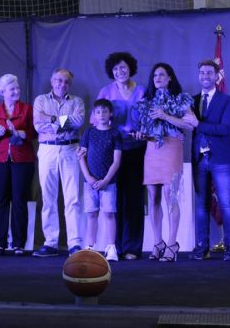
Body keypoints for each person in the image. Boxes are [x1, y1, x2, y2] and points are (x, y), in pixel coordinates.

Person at [135, 62, 197, 262]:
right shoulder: (147, 101)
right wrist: (141, 134)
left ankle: (172, 243)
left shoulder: (181, 99)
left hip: (172, 147)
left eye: (162, 75)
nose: (158, 78)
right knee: (153, 197)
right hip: (152, 148)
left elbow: (190, 124)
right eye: (155, 76)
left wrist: (165, 115)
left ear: (170, 77)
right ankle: (157, 242)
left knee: (171, 196)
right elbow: (145, 126)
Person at [96, 52, 146, 260]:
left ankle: (133, 248)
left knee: (134, 199)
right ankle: (114, 247)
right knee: (114, 200)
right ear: (111, 71)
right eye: (116, 69)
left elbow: (148, 118)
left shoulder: (142, 91)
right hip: (112, 150)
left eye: (123, 67)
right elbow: (96, 120)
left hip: (136, 149)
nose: (120, 71)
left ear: (130, 68)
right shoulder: (105, 91)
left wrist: (144, 130)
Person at [32, 68, 85, 257]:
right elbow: (38, 124)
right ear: (52, 81)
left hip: (71, 149)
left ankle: (75, 243)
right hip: (47, 149)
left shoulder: (77, 101)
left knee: (73, 199)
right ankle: (51, 243)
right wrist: (63, 121)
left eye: (66, 82)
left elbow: (78, 121)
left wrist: (52, 119)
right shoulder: (40, 100)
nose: (62, 85)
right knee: (48, 197)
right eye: (59, 81)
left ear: (70, 84)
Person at [190, 60, 230, 261]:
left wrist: (198, 124)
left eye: (209, 73)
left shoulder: (226, 100)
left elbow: (225, 129)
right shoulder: (191, 101)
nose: (205, 76)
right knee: (201, 205)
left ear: (217, 76)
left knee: (226, 204)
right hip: (200, 159)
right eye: (202, 73)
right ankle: (202, 248)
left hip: (220, 160)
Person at [0, 74, 36, 256]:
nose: (17, 91)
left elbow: (33, 133)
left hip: (22, 159)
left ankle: (18, 243)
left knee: (19, 200)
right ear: (2, 92)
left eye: (17, 88)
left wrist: (20, 132)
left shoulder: (27, 109)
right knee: (0, 200)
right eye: (12, 88)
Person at [79, 99, 123, 262]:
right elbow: (81, 157)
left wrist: (105, 180)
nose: (102, 115)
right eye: (98, 112)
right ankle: (91, 246)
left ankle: (111, 247)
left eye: (105, 111)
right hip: (90, 182)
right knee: (92, 214)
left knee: (109, 214)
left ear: (110, 113)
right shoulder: (89, 132)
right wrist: (89, 178)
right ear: (94, 115)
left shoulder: (115, 133)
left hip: (108, 183)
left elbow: (116, 161)